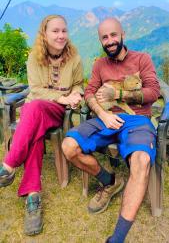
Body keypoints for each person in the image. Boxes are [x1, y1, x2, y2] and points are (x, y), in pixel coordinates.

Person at [62, 17, 160, 243]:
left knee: (142, 160)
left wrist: (119, 95)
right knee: (68, 146)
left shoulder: (142, 59)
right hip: (105, 118)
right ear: (100, 40)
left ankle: (117, 238)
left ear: (123, 33)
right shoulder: (99, 65)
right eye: (104, 37)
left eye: (113, 35)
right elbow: (89, 93)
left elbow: (153, 92)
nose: (110, 41)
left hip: (137, 120)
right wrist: (103, 113)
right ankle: (110, 181)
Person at [0, 15, 83, 236]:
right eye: (55, 31)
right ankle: (33, 196)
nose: (61, 35)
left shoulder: (74, 57)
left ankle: (9, 164)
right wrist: (62, 96)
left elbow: (78, 84)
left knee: (35, 109)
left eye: (64, 30)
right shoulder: (34, 58)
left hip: (55, 112)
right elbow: (35, 90)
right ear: (44, 34)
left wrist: (75, 95)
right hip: (34, 110)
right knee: (34, 122)